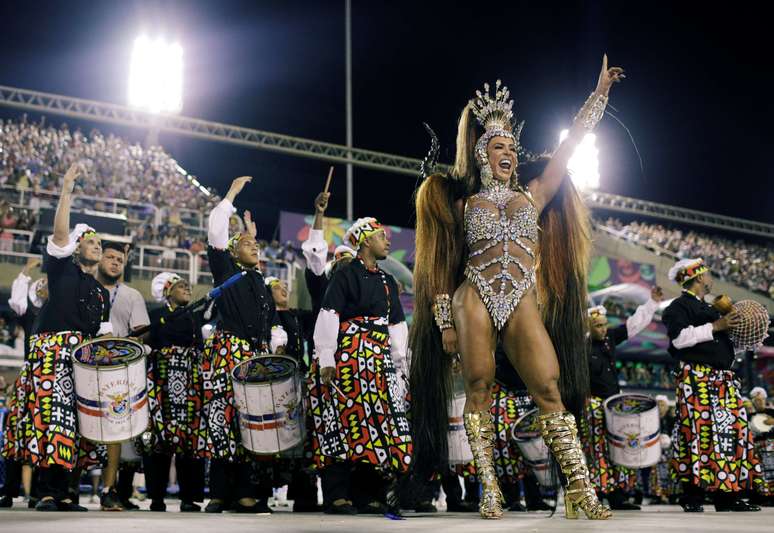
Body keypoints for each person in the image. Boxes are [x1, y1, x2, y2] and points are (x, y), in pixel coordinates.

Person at [411, 56, 623, 519]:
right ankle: (490, 488)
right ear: (484, 153)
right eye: (498, 146)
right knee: (479, 386)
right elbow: (445, 269)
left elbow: (570, 148)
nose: (507, 152)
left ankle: (581, 489)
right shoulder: (461, 202)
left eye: (511, 145)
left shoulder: (536, 194)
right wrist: (446, 324)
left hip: (521, 297)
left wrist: (599, 94)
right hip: (474, 296)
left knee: (549, 386)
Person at [16, 163, 112, 512]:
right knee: (50, 417)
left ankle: (69, 492)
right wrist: (66, 191)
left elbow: (102, 336)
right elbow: (59, 235)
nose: (97, 246)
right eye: (91, 241)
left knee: (77, 421)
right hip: (52, 352)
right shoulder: (60, 270)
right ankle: (45, 491)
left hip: (83, 360)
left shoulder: (101, 293)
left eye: (100, 243)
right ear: (76, 247)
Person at [308, 217, 411, 515]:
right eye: (381, 235)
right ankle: (338, 496)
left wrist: (400, 366)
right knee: (342, 424)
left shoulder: (388, 281)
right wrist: (327, 359)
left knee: (377, 427)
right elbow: (329, 314)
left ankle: (369, 494)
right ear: (365, 240)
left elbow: (397, 327)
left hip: (379, 362)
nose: (388, 240)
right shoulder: (344, 274)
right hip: (349, 358)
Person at [199, 176, 287, 514]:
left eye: (256, 244)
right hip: (227, 353)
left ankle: (246, 492)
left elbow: (272, 323)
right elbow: (216, 228)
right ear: (232, 252)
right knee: (224, 420)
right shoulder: (225, 270)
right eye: (247, 243)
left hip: (255, 357)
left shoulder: (262, 284)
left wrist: (276, 341)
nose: (255, 246)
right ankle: (219, 492)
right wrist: (232, 194)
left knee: (251, 424)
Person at [662, 258, 763, 512]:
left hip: (724, 380)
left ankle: (727, 496)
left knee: (730, 436)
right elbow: (679, 340)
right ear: (697, 278)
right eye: (707, 275)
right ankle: (693, 497)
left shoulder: (711, 308)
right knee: (697, 435)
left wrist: (741, 332)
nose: (710, 279)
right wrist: (717, 325)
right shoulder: (678, 307)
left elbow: (722, 343)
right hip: (697, 380)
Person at [583, 288, 662, 510]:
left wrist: (652, 304)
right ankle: (596, 494)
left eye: (605, 325)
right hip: (592, 406)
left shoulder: (609, 339)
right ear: (588, 327)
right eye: (598, 326)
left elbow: (633, 325)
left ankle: (618, 495)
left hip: (613, 405)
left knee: (617, 449)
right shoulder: (580, 347)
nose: (603, 329)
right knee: (597, 451)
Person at [143, 272, 206, 513]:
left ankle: (189, 497)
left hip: (190, 382)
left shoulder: (194, 317)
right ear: (168, 291)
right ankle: (156, 497)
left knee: (190, 440)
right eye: (181, 286)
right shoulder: (156, 317)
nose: (188, 288)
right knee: (160, 440)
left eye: (188, 286)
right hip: (163, 382)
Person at [94, 242, 150, 511]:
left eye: (120, 259)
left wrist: (124, 342)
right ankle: (63, 490)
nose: (115, 262)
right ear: (98, 259)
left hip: (117, 369)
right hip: (84, 367)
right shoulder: (85, 289)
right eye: (110, 257)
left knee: (116, 430)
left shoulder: (131, 295)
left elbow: (143, 331)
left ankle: (110, 489)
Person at [0, 258, 48, 508]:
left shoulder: (60, 312)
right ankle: (8, 490)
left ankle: (39, 493)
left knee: (44, 434)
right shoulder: (29, 312)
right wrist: (26, 270)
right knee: (16, 432)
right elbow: (17, 298)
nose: (45, 286)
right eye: (41, 284)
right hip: (31, 377)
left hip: (52, 378)